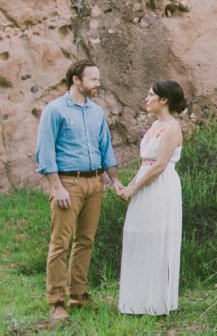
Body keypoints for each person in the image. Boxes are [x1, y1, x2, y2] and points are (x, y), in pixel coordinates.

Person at [35, 59, 124, 323]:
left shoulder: (96, 112)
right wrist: (56, 186)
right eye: (94, 79)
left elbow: (105, 149)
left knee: (85, 241)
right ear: (76, 79)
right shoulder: (55, 110)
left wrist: (115, 181)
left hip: (94, 183)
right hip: (67, 184)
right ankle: (56, 301)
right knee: (60, 243)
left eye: (98, 79)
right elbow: (45, 151)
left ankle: (78, 295)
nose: (98, 84)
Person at [118, 79, 186, 316]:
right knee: (137, 233)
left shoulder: (172, 128)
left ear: (164, 100)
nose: (146, 99)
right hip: (145, 181)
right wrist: (129, 186)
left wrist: (133, 189)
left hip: (161, 186)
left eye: (150, 95)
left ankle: (157, 302)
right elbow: (145, 164)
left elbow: (159, 166)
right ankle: (135, 300)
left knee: (158, 236)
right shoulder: (153, 126)